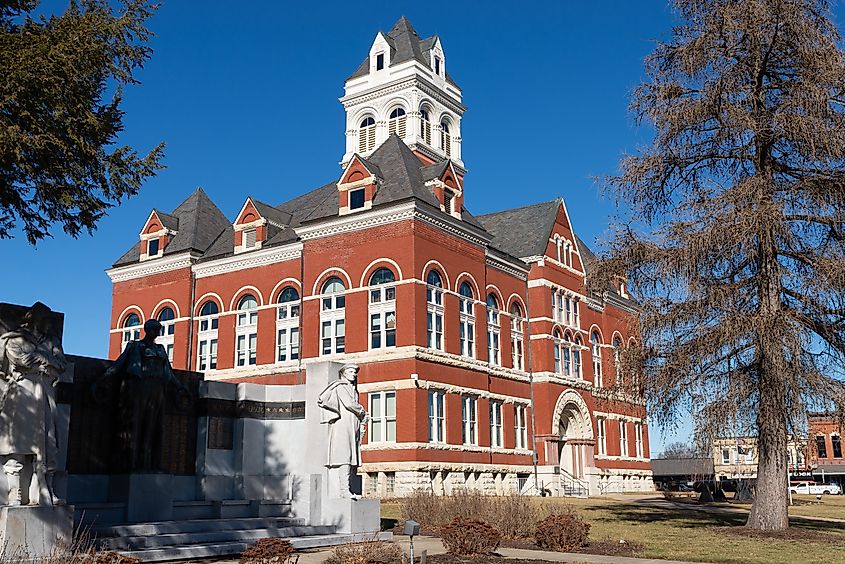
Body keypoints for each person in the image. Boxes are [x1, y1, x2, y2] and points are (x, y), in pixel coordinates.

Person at [95, 319, 188, 472]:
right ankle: (132, 463)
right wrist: (103, 379)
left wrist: (180, 387)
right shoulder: (136, 346)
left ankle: (150, 464)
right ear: (148, 330)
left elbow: (168, 373)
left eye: (158, 330)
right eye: (155, 329)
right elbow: (118, 365)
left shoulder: (161, 349)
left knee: (153, 427)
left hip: (158, 388)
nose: (157, 333)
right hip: (141, 387)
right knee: (136, 424)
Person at [0, 302, 67, 506]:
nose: (46, 324)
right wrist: (46, 361)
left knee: (49, 445)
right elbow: (21, 359)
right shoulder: (15, 338)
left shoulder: (51, 341)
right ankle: (15, 492)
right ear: (33, 319)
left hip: (45, 395)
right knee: (17, 444)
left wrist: (42, 360)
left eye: (48, 319)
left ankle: (46, 491)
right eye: (43, 319)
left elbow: (61, 364)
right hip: (23, 394)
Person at [317, 364, 368, 499]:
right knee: (344, 456)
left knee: (351, 456)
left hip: (352, 426)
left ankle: (347, 488)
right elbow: (349, 404)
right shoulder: (341, 387)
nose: (354, 374)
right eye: (351, 371)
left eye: (355, 372)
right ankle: (344, 490)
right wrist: (362, 411)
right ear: (344, 373)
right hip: (343, 426)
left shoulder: (353, 389)